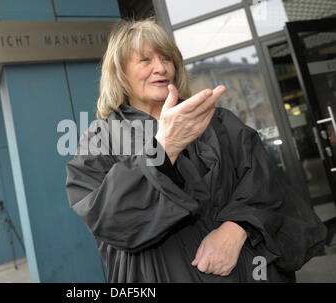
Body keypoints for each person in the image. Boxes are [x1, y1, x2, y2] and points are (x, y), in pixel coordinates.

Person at [65, 19, 327, 282]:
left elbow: (265, 183)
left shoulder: (218, 121)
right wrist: (164, 150)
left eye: (166, 58)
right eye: (145, 60)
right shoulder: (100, 140)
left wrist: (237, 228)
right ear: (120, 72)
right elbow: (110, 219)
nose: (160, 68)